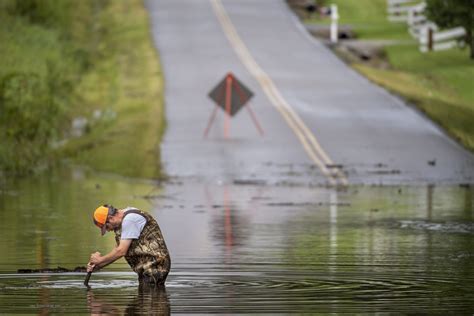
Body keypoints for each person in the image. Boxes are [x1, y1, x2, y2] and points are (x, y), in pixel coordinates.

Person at [87, 204, 171, 286]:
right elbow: (117, 248)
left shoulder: (129, 220)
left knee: (149, 293)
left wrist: (100, 260)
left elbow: (121, 251)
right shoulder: (123, 220)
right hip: (147, 265)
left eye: (107, 227)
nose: (109, 230)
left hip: (156, 264)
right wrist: (98, 265)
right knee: (147, 294)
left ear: (111, 218)